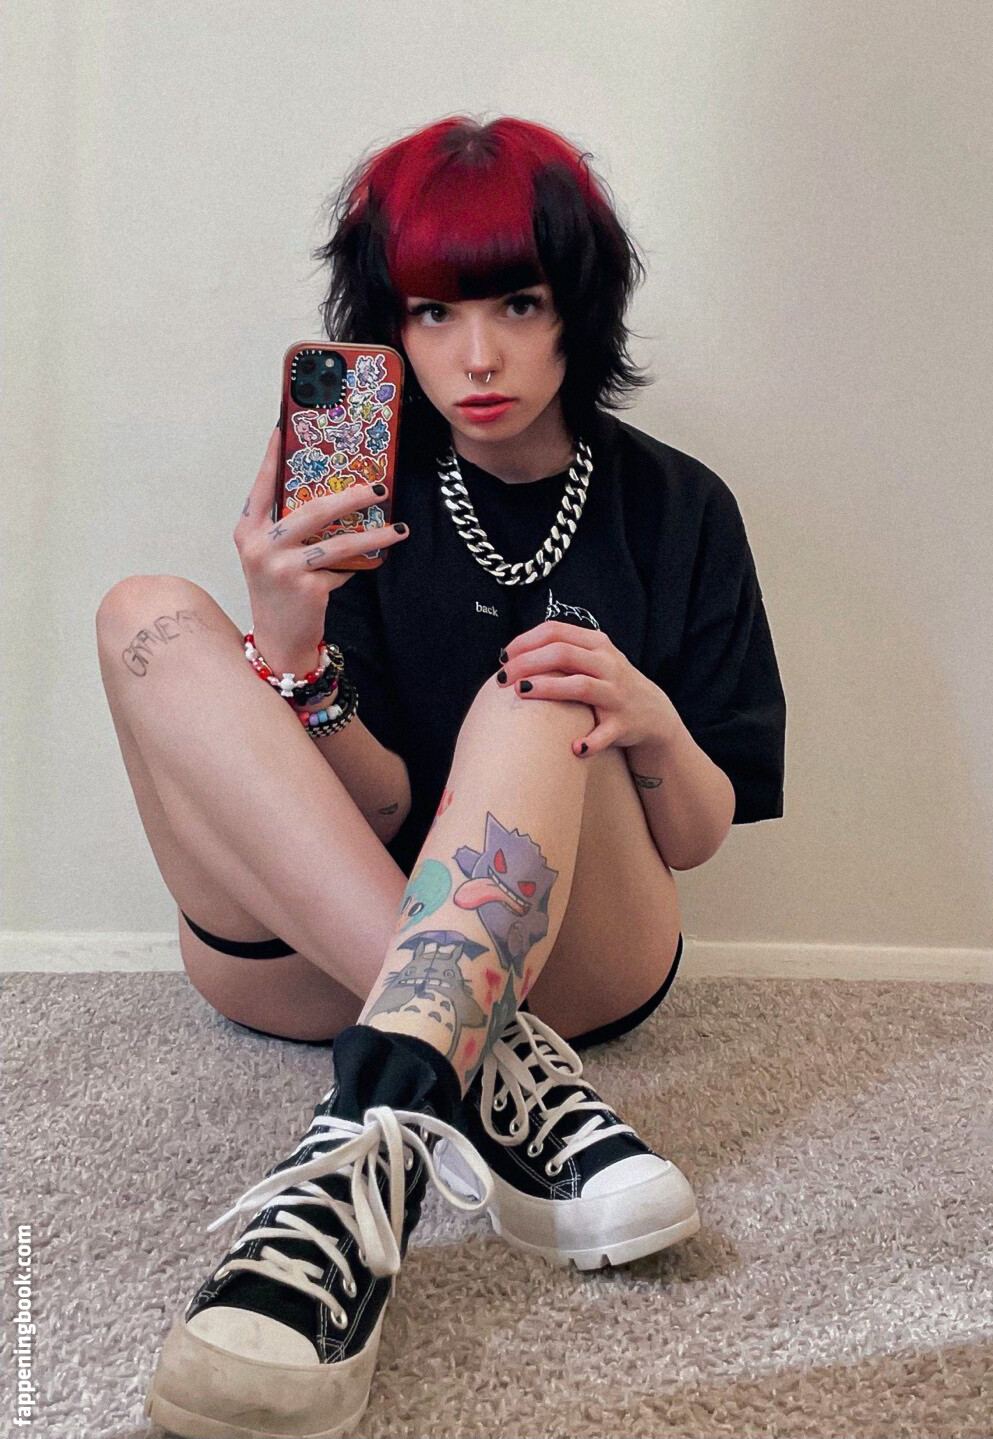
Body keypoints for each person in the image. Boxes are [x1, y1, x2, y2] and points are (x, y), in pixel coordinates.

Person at [96, 114, 785, 1438]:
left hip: (575, 952)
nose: (477, 355)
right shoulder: (359, 503)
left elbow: (699, 833)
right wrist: (291, 649)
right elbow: (376, 810)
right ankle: (488, 1069)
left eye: (517, 303)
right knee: (147, 614)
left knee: (545, 684)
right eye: (432, 311)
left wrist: (645, 717)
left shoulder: (678, 508)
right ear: (388, 328)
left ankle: (358, 1154)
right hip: (316, 947)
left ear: (577, 307)